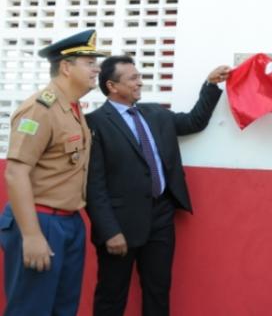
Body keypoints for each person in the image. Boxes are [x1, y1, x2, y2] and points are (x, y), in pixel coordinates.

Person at [85, 55, 230, 316]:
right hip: (120, 225)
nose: (140, 82)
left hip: (160, 218)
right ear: (112, 86)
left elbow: (193, 121)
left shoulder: (155, 113)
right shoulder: (94, 123)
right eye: (133, 78)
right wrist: (109, 231)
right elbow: (94, 184)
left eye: (139, 76)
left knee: (158, 291)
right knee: (111, 295)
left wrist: (210, 85)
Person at [0, 29, 106, 315]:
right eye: (89, 62)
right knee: (31, 308)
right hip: (40, 221)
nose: (97, 68)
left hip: (69, 222)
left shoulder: (72, 108)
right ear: (66, 67)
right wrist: (32, 235)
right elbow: (16, 172)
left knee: (63, 308)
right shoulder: (40, 108)